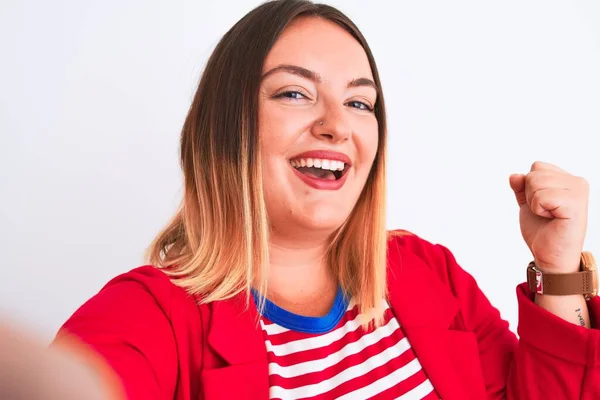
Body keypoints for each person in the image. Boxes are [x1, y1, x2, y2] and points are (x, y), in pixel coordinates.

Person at [1, 0, 598, 399]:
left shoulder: (425, 270)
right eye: (294, 93)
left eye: (360, 103)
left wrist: (559, 268)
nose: (338, 125)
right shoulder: (151, 314)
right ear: (225, 128)